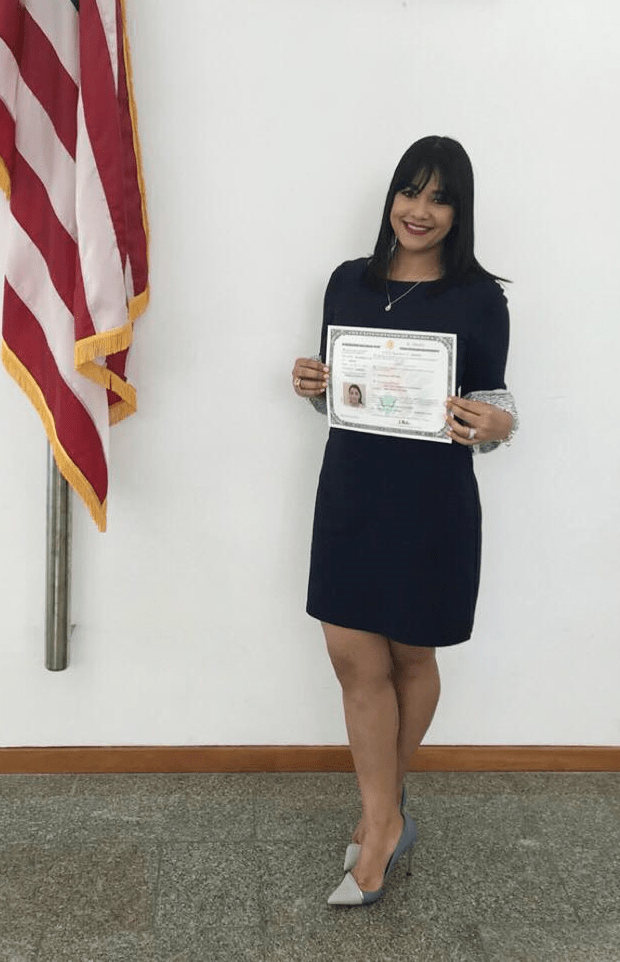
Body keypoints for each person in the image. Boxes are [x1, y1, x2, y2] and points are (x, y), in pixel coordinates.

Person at [291, 135, 518, 906]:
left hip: (431, 502)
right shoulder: (347, 283)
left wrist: (497, 423)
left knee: (410, 657)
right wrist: (312, 382)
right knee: (355, 657)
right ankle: (385, 816)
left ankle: (379, 818)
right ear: (391, 198)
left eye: (439, 197)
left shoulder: (479, 297)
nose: (420, 211)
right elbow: (340, 395)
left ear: (460, 213)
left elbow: (497, 401)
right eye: (410, 192)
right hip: (352, 491)